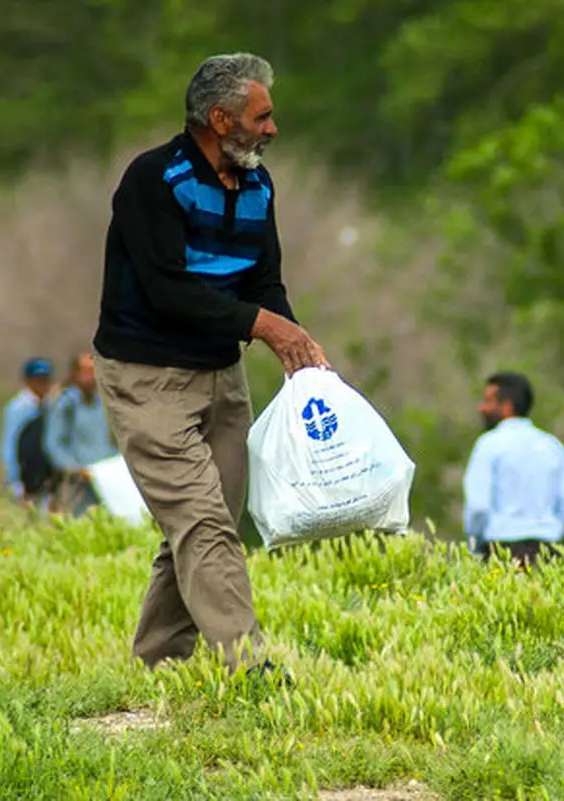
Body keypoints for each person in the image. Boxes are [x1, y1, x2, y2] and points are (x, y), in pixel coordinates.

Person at [91, 52, 329, 679]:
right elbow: (170, 291)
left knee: (209, 524)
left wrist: (295, 347)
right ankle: (249, 668)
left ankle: (158, 666)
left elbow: (263, 281)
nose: (273, 129)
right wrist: (263, 325)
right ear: (221, 119)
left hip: (222, 376)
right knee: (201, 521)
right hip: (148, 378)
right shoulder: (154, 180)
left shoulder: (257, 185)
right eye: (263, 116)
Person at [462, 371, 564, 567]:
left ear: (506, 405)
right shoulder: (552, 446)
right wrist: (550, 533)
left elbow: (478, 507)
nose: (481, 408)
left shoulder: (488, 445)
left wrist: (475, 548)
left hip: (501, 553)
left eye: (488, 401)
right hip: (547, 554)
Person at [44, 350, 119, 517]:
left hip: (109, 479)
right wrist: (74, 468)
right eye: (86, 371)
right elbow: (54, 443)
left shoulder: (105, 402)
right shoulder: (65, 404)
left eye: (93, 371)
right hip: (79, 481)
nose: (90, 377)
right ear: (75, 374)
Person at [0, 357, 58, 512]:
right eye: (38, 380)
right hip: (24, 480)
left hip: (45, 480)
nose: (42, 384)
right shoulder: (18, 408)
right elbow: (9, 444)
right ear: (28, 381)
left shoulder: (50, 407)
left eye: (45, 380)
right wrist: (14, 481)